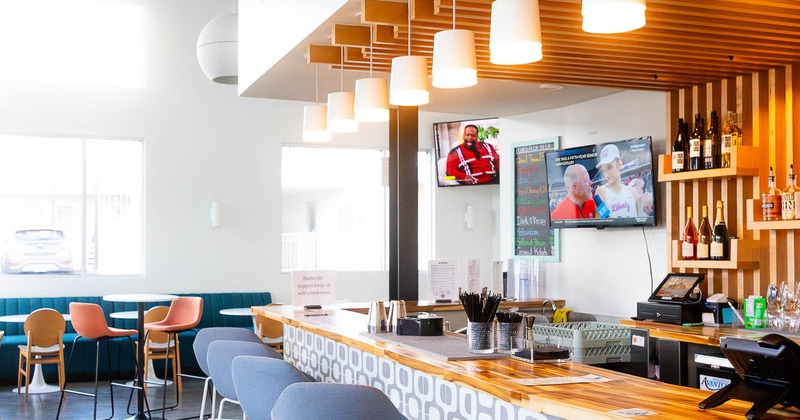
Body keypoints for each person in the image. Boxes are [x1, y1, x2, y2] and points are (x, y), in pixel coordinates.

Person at [594, 144, 651, 218]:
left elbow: (640, 221)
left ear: (619, 164)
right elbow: (601, 221)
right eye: (604, 170)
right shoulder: (601, 192)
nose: (607, 174)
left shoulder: (633, 192)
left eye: (610, 167)